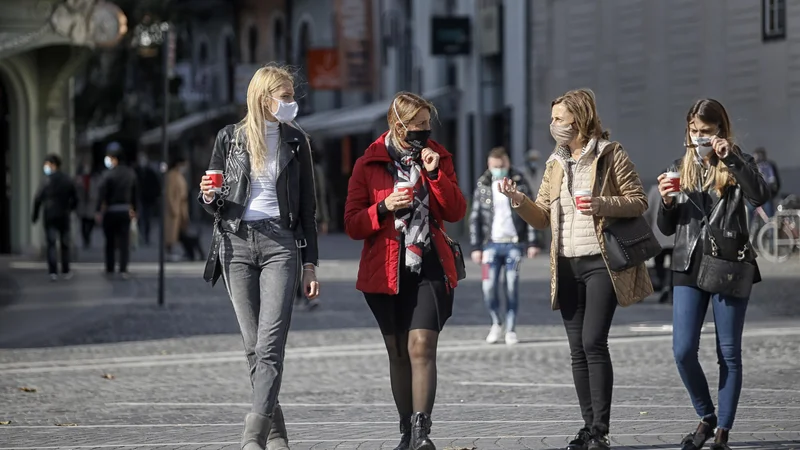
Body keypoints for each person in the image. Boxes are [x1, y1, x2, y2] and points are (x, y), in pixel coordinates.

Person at [496, 88, 653, 450]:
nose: (553, 126)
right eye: (552, 119)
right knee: (577, 350)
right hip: (565, 264)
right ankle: (588, 427)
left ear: (579, 121)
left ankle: (601, 430)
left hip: (602, 263)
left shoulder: (611, 154)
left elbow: (638, 201)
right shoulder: (554, 164)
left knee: (593, 341)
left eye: (559, 119)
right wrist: (519, 201)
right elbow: (541, 217)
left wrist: (601, 203)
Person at [198, 64, 320, 450]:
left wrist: (311, 263)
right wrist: (206, 195)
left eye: (291, 96)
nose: (292, 104)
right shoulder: (230, 139)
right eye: (285, 97)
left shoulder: (297, 142)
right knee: (253, 346)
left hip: (281, 245)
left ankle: (252, 437)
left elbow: (308, 208)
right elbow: (215, 201)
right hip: (234, 244)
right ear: (264, 98)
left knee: (270, 344)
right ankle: (277, 433)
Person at [344, 91, 466, 450]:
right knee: (397, 351)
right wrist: (382, 207)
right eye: (418, 126)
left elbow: (456, 210)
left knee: (421, 346)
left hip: (429, 263)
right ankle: (404, 431)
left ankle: (421, 432)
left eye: (428, 125)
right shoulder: (368, 164)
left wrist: (435, 174)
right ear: (398, 126)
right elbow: (351, 224)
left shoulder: (438, 157)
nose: (425, 133)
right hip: (386, 269)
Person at [656, 99, 770, 450]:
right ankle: (705, 415)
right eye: (694, 131)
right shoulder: (680, 167)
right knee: (683, 350)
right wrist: (667, 202)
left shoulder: (739, 163)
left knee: (728, 352)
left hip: (730, 265)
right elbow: (665, 228)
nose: (699, 137)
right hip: (688, 264)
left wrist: (730, 157)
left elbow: (761, 194)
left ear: (720, 130)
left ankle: (722, 431)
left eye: (706, 131)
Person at [469, 146, 542, 345]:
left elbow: (530, 211)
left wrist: (533, 242)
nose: (498, 170)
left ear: (507, 164)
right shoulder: (483, 184)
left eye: (502, 166)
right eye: (495, 166)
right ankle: (496, 322)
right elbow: (475, 217)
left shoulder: (519, 183)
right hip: (490, 246)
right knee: (488, 286)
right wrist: (476, 247)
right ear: (489, 165)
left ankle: (511, 328)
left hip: (513, 246)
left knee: (511, 285)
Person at [32, 154, 78, 281]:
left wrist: (35, 215)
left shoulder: (46, 180)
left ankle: (53, 271)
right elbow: (75, 197)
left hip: (50, 215)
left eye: (47, 164)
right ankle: (65, 270)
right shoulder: (67, 179)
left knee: (51, 243)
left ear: (53, 165)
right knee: (64, 243)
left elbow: (38, 199)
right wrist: (71, 208)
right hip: (64, 214)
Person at [97, 142, 138, 279]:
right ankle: (123, 268)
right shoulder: (130, 173)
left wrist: (98, 210)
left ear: (114, 159)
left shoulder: (108, 175)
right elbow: (135, 193)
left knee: (109, 241)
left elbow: (102, 193)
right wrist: (135, 209)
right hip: (125, 210)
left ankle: (110, 267)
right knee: (124, 241)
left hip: (110, 211)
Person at [645, 184, 675, 303]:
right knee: (673, 264)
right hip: (674, 236)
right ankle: (668, 286)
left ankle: (665, 285)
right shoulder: (679, 188)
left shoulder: (654, 189)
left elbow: (648, 210)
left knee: (659, 263)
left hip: (659, 234)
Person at [165, 156, 190, 261]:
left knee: (180, 231)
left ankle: (187, 252)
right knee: (172, 232)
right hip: (175, 208)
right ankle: (169, 252)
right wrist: (172, 207)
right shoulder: (172, 175)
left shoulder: (179, 175)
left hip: (181, 207)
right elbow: (169, 193)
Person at [135, 151, 162, 246]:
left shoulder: (150, 173)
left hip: (148, 199)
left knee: (147, 219)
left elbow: (156, 185)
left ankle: (146, 236)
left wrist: (155, 195)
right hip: (138, 199)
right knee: (138, 219)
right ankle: (139, 236)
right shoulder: (136, 171)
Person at [75, 156, 102, 248]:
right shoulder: (79, 178)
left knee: (90, 221)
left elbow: (98, 189)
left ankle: (88, 237)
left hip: (91, 202)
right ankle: (85, 239)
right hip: (82, 202)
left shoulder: (95, 178)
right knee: (83, 222)